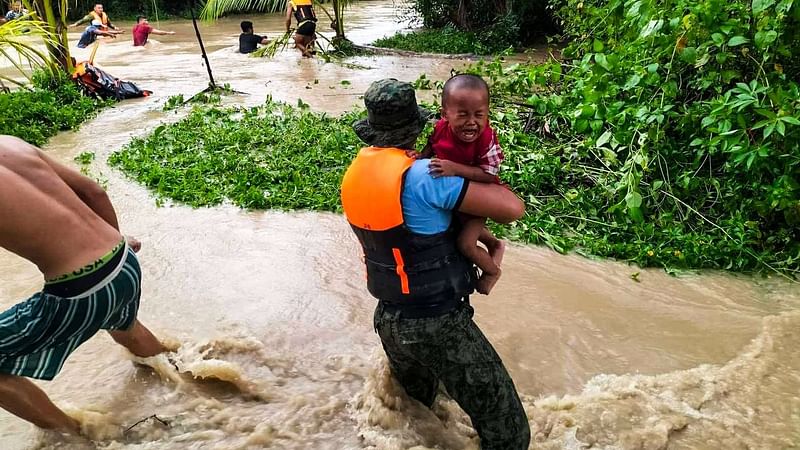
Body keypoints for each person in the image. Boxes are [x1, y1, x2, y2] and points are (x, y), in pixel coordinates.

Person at [341, 79, 530, 449]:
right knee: (510, 435)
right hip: (438, 323)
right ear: (419, 126)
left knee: (419, 417)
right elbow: (513, 209)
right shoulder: (424, 176)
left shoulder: (354, 176)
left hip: (389, 321)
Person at [0, 135, 167, 435]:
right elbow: (95, 191)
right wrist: (116, 239)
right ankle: (179, 376)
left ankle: (74, 436)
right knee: (124, 326)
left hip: (80, 290)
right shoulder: (11, 144)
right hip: (123, 260)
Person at [416, 74, 507, 295]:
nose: (472, 122)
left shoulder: (487, 139)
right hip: (456, 195)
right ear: (445, 114)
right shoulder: (439, 129)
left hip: (480, 195)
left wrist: (454, 168)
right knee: (457, 227)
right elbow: (431, 146)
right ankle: (495, 244)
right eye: (463, 115)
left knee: (466, 244)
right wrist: (418, 158)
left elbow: (488, 174)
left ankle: (492, 271)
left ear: (488, 114)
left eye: (479, 115)